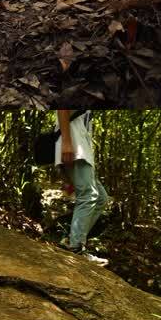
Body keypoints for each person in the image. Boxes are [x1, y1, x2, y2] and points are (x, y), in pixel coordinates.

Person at [56, 109, 110, 265]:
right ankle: (76, 248)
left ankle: (70, 239)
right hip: (74, 145)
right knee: (89, 195)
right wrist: (66, 142)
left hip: (82, 149)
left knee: (100, 198)